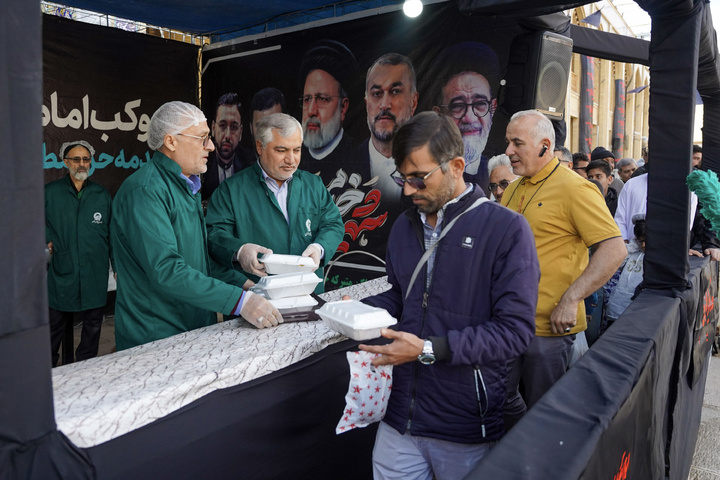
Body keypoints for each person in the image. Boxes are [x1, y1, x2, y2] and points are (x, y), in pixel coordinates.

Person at [358, 111, 539, 479]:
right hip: (399, 420)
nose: (408, 190)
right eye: (402, 178)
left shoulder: (506, 230)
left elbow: (515, 332)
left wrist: (427, 350)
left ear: (456, 166)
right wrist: (359, 310)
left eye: (419, 178)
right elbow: (403, 298)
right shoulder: (404, 227)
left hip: (465, 426)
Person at [112, 101, 281, 350]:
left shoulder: (184, 185)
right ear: (171, 142)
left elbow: (198, 261)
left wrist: (249, 286)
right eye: (202, 139)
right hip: (157, 335)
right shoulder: (146, 191)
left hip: (192, 326)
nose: (211, 146)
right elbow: (167, 270)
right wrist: (240, 302)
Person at [502, 110, 626, 422]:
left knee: (544, 415)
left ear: (545, 146)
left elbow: (614, 250)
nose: (508, 151)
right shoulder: (515, 187)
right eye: (508, 143)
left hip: (548, 330)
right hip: (506, 324)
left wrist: (571, 299)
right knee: (499, 401)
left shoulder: (576, 188)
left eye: (517, 143)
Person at [206, 113, 343, 292]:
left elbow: (333, 224)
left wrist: (319, 247)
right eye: (281, 150)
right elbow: (213, 234)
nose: (291, 159)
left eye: (296, 150)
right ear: (260, 147)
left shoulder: (313, 185)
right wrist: (239, 250)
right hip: (255, 297)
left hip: (308, 293)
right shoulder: (231, 190)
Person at [45, 140, 112, 366]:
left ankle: (86, 367)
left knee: (93, 324)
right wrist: (47, 238)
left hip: (94, 269)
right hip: (63, 268)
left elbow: (112, 232)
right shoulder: (50, 192)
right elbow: (31, 218)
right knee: (54, 325)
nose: (82, 164)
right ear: (66, 162)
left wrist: (117, 267)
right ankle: (49, 370)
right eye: (76, 159)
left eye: (86, 159)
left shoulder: (101, 194)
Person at [431, 42, 500, 190]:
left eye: (480, 104)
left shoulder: (499, 175)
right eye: (457, 106)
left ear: (492, 108)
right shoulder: (426, 177)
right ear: (438, 115)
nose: (470, 118)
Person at [297, 40, 367, 186]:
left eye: (322, 99)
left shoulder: (362, 160)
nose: (311, 111)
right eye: (306, 99)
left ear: (343, 107)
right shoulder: (291, 162)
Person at [358, 53, 418, 203]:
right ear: (367, 105)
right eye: (377, 93)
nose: (384, 104)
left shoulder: (433, 167)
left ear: (414, 102)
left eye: (395, 91)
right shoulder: (342, 166)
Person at [202, 93, 254, 201]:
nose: (227, 135)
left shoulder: (250, 163)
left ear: (241, 132)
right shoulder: (200, 160)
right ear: (213, 128)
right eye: (222, 125)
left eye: (234, 127)